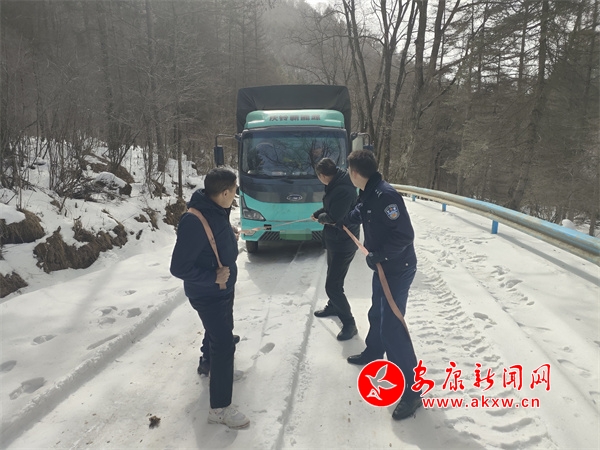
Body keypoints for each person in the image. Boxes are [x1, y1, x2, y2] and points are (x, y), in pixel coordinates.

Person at [341, 149, 422, 421]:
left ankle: (412, 391)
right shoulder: (368, 192)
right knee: (376, 311)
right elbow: (360, 212)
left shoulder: (386, 196)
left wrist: (380, 255)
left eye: (348, 170)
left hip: (398, 268)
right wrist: (337, 220)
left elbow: (405, 235)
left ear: (355, 173)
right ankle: (374, 351)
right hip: (384, 268)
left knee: (392, 327)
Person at [169, 167, 249, 429]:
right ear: (224, 192)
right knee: (224, 344)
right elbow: (179, 267)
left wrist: (229, 236)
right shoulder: (193, 221)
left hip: (223, 289)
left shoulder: (216, 208)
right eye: (234, 191)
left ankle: (208, 365)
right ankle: (219, 409)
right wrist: (212, 277)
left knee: (220, 330)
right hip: (209, 293)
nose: (235, 195)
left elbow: (212, 239)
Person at [311, 158, 360, 341]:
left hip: (343, 243)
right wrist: (319, 213)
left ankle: (349, 324)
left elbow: (334, 217)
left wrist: (321, 218)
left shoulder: (344, 189)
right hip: (334, 240)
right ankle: (333, 306)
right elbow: (331, 206)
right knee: (333, 277)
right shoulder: (336, 183)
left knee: (332, 285)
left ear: (323, 175)